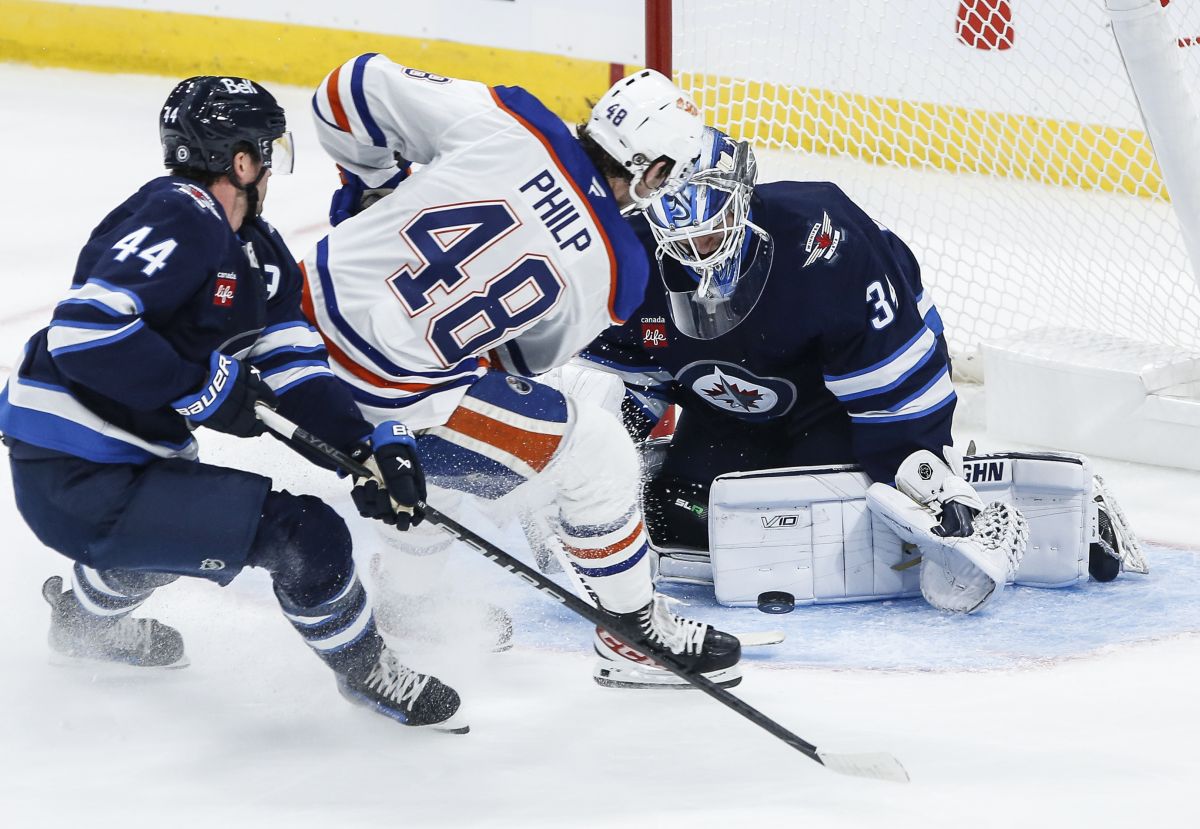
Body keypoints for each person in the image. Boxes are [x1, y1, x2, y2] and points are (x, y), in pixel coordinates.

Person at [0, 76, 465, 731]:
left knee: (165, 538)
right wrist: (211, 387)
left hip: (124, 465)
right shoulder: (183, 215)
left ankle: (80, 622)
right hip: (73, 471)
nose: (271, 167)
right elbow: (85, 332)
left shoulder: (258, 253)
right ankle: (369, 672)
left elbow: (294, 369)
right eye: (266, 151)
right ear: (240, 160)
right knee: (307, 535)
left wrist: (369, 446)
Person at [301, 53, 742, 688]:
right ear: (652, 168)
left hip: (292, 325)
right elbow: (522, 359)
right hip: (383, 395)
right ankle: (635, 632)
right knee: (593, 452)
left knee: (458, 424)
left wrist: (372, 189)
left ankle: (409, 599)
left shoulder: (515, 118)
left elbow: (347, 89)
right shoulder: (620, 268)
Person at [573, 127, 1144, 614]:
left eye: (715, 223)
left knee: (866, 514)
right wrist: (590, 458)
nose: (701, 245)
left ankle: (1006, 499)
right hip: (729, 421)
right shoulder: (626, 262)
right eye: (682, 232)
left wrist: (914, 469)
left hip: (835, 410)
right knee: (681, 519)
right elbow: (640, 379)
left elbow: (896, 374)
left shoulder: (821, 235)